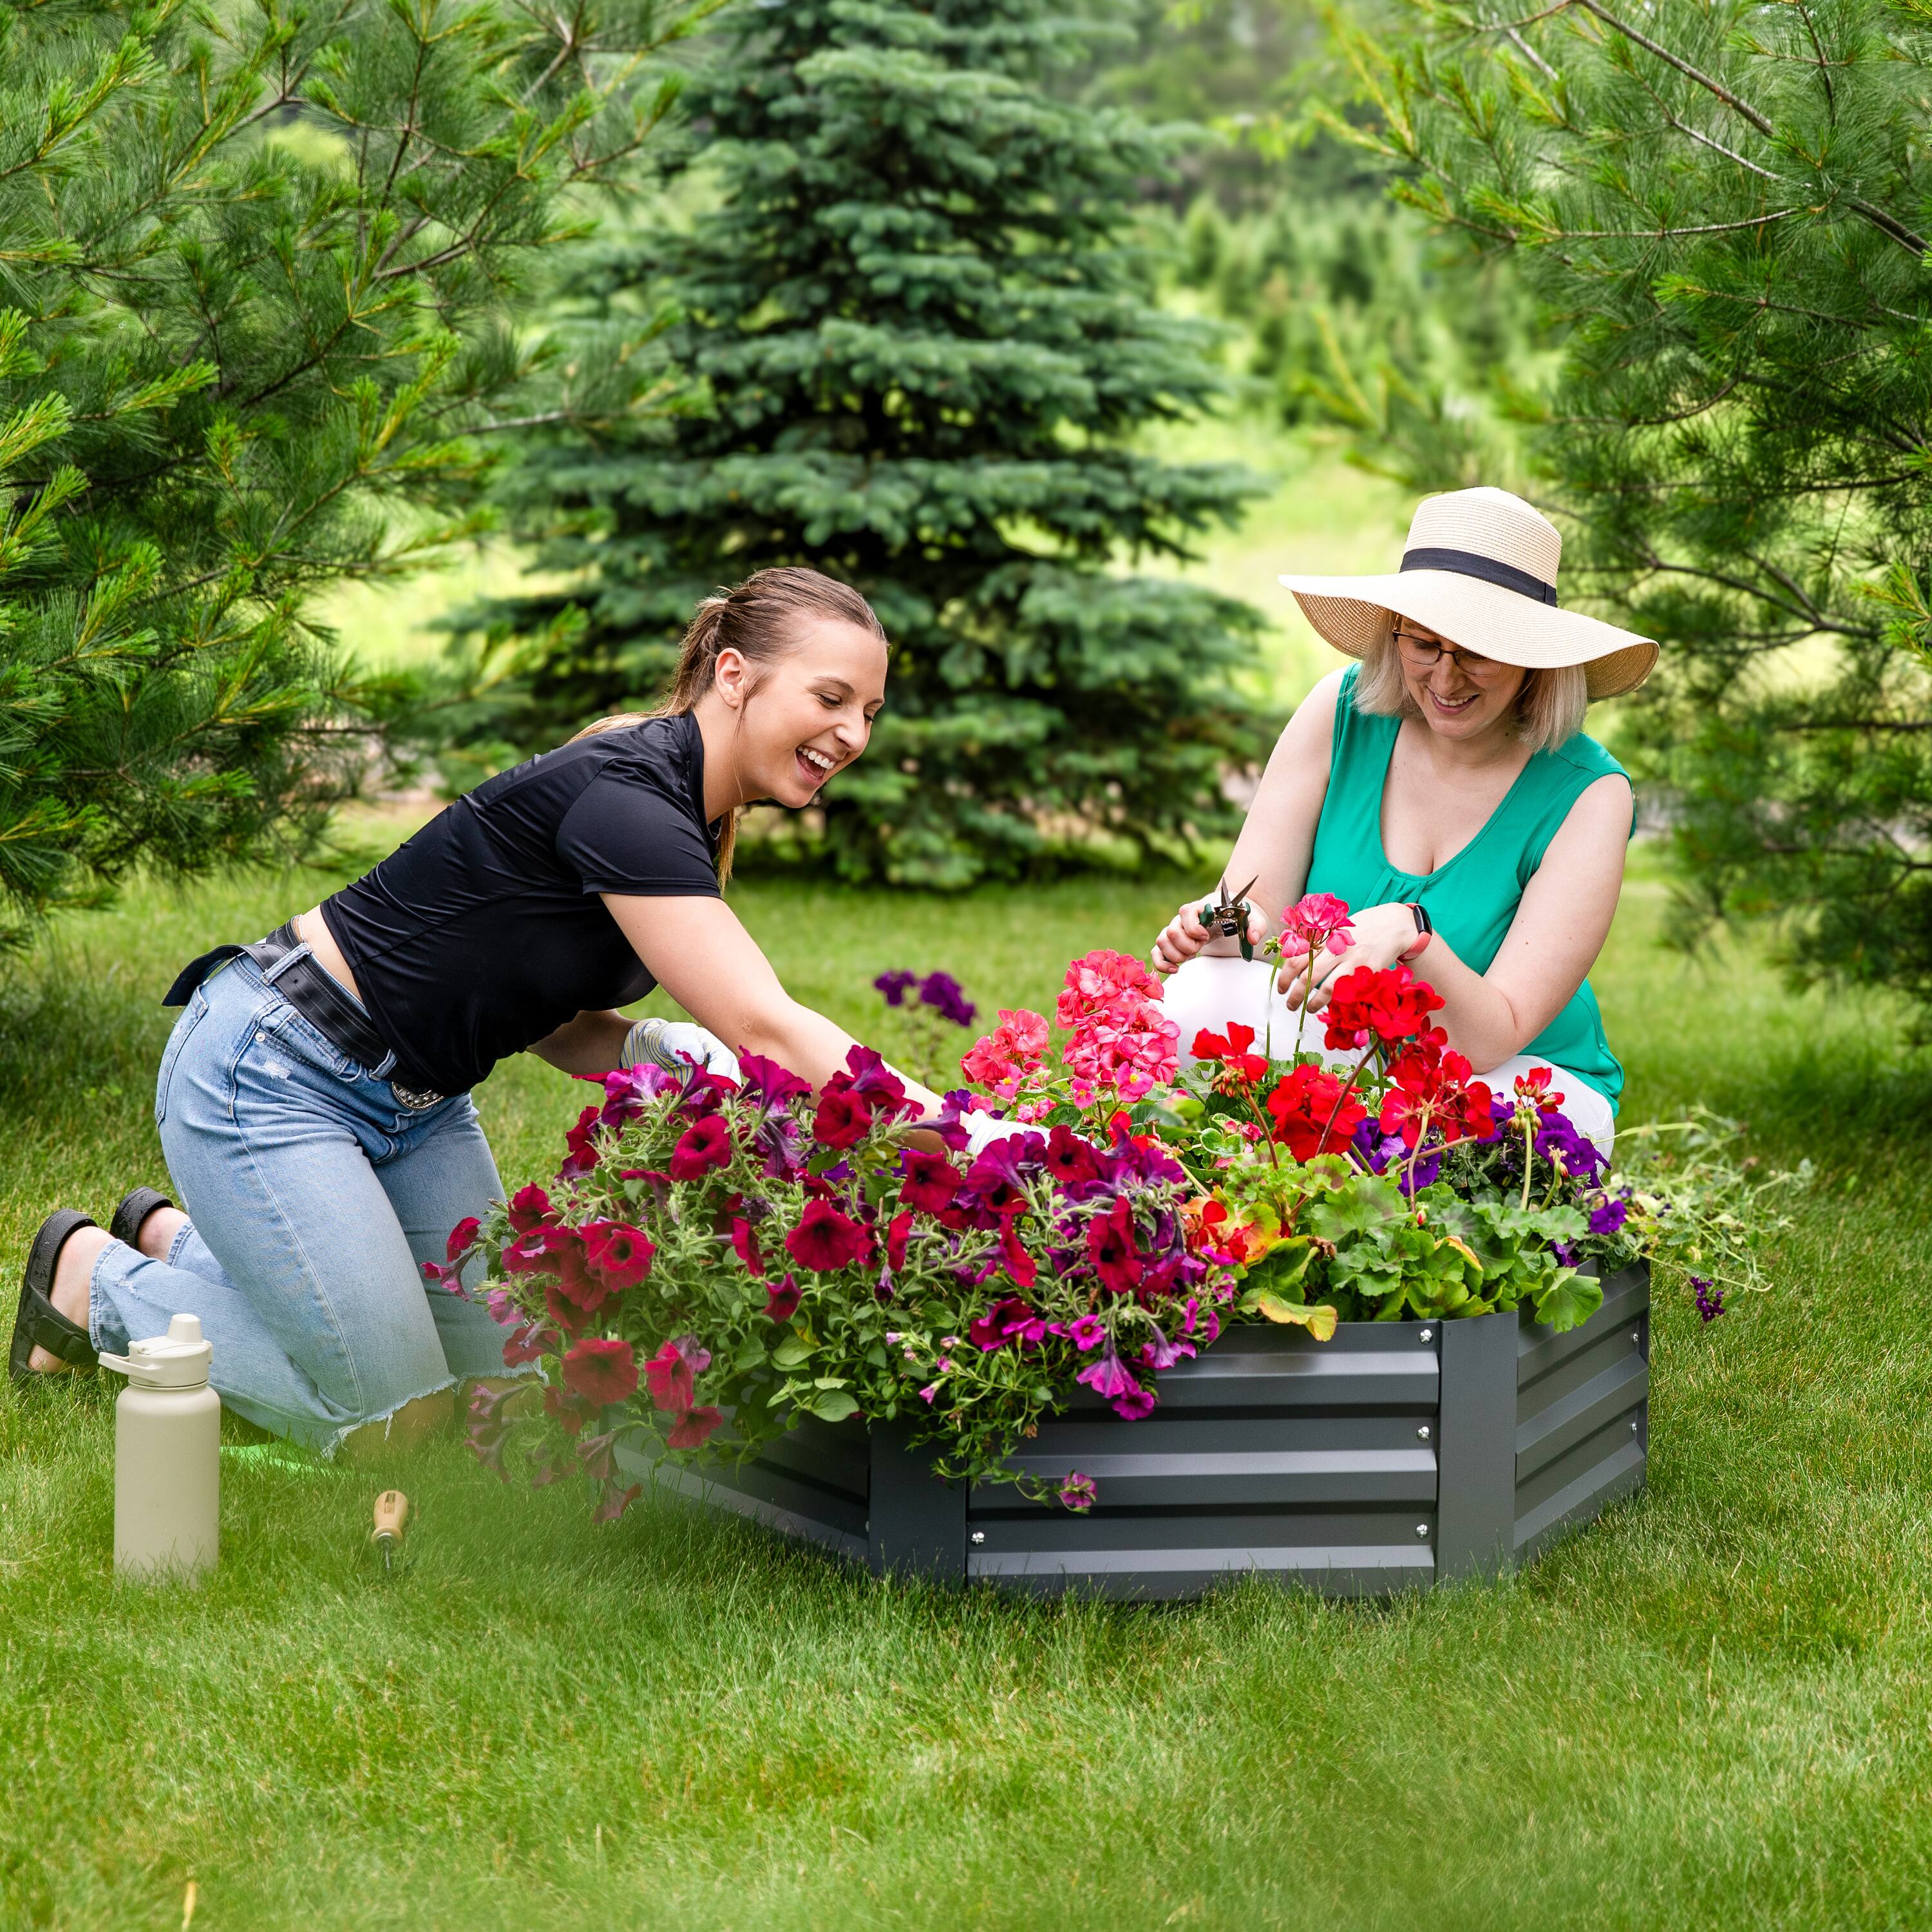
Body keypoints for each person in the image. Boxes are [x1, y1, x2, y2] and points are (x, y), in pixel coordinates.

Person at [11, 567, 946, 1455]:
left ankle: (184, 1243)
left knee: (511, 1377)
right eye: (830, 699)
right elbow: (768, 1026)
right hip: (274, 1070)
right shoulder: (632, 794)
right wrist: (961, 1134)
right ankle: (99, 1279)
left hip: (419, 1108)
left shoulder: (682, 809)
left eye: (868, 712)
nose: (853, 735)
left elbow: (540, 1011)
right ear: (735, 675)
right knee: (405, 1417)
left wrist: (652, 1048)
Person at [1151, 486, 1658, 1153]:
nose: (1445, 681)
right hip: (1353, 1041)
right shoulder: (1340, 713)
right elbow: (1257, 908)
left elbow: (1491, 1037)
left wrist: (1412, 934)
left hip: (1515, 1080)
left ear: (1535, 657)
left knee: (1476, 1147)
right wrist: (1216, 926)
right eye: (1424, 645)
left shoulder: (1590, 793)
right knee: (1193, 998)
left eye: (1477, 652)